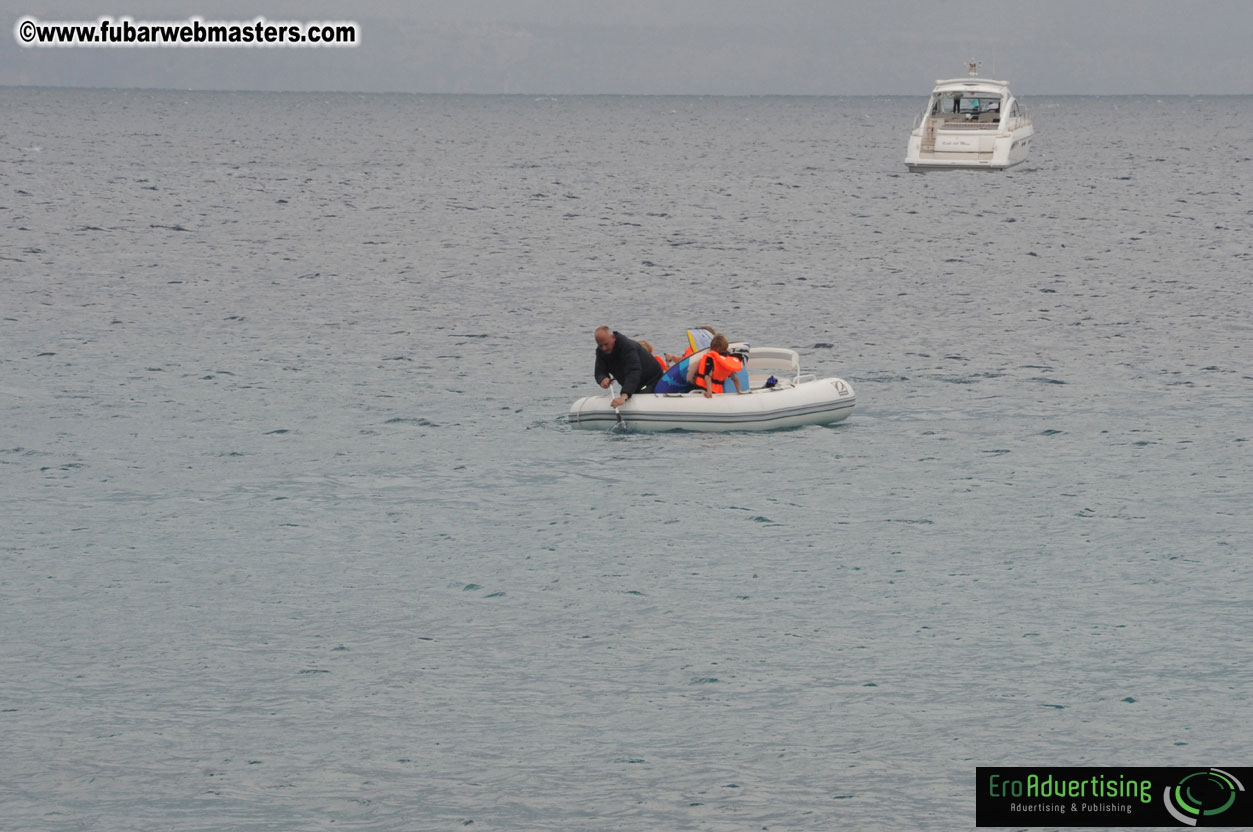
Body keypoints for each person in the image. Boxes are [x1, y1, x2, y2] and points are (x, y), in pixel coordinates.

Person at [593, 326, 664, 408]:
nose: (604, 348)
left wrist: (624, 396)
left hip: (652, 381)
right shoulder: (600, 351)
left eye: (606, 344)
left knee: (637, 398)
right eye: (600, 345)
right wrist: (602, 379)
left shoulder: (627, 346)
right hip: (634, 384)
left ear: (613, 338)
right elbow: (599, 371)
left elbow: (633, 371)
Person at [692, 334, 744, 398]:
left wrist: (709, 392)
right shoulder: (728, 360)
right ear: (726, 348)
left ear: (712, 348)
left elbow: (707, 375)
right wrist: (739, 390)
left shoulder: (710, 357)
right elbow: (735, 377)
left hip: (702, 389)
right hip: (718, 391)